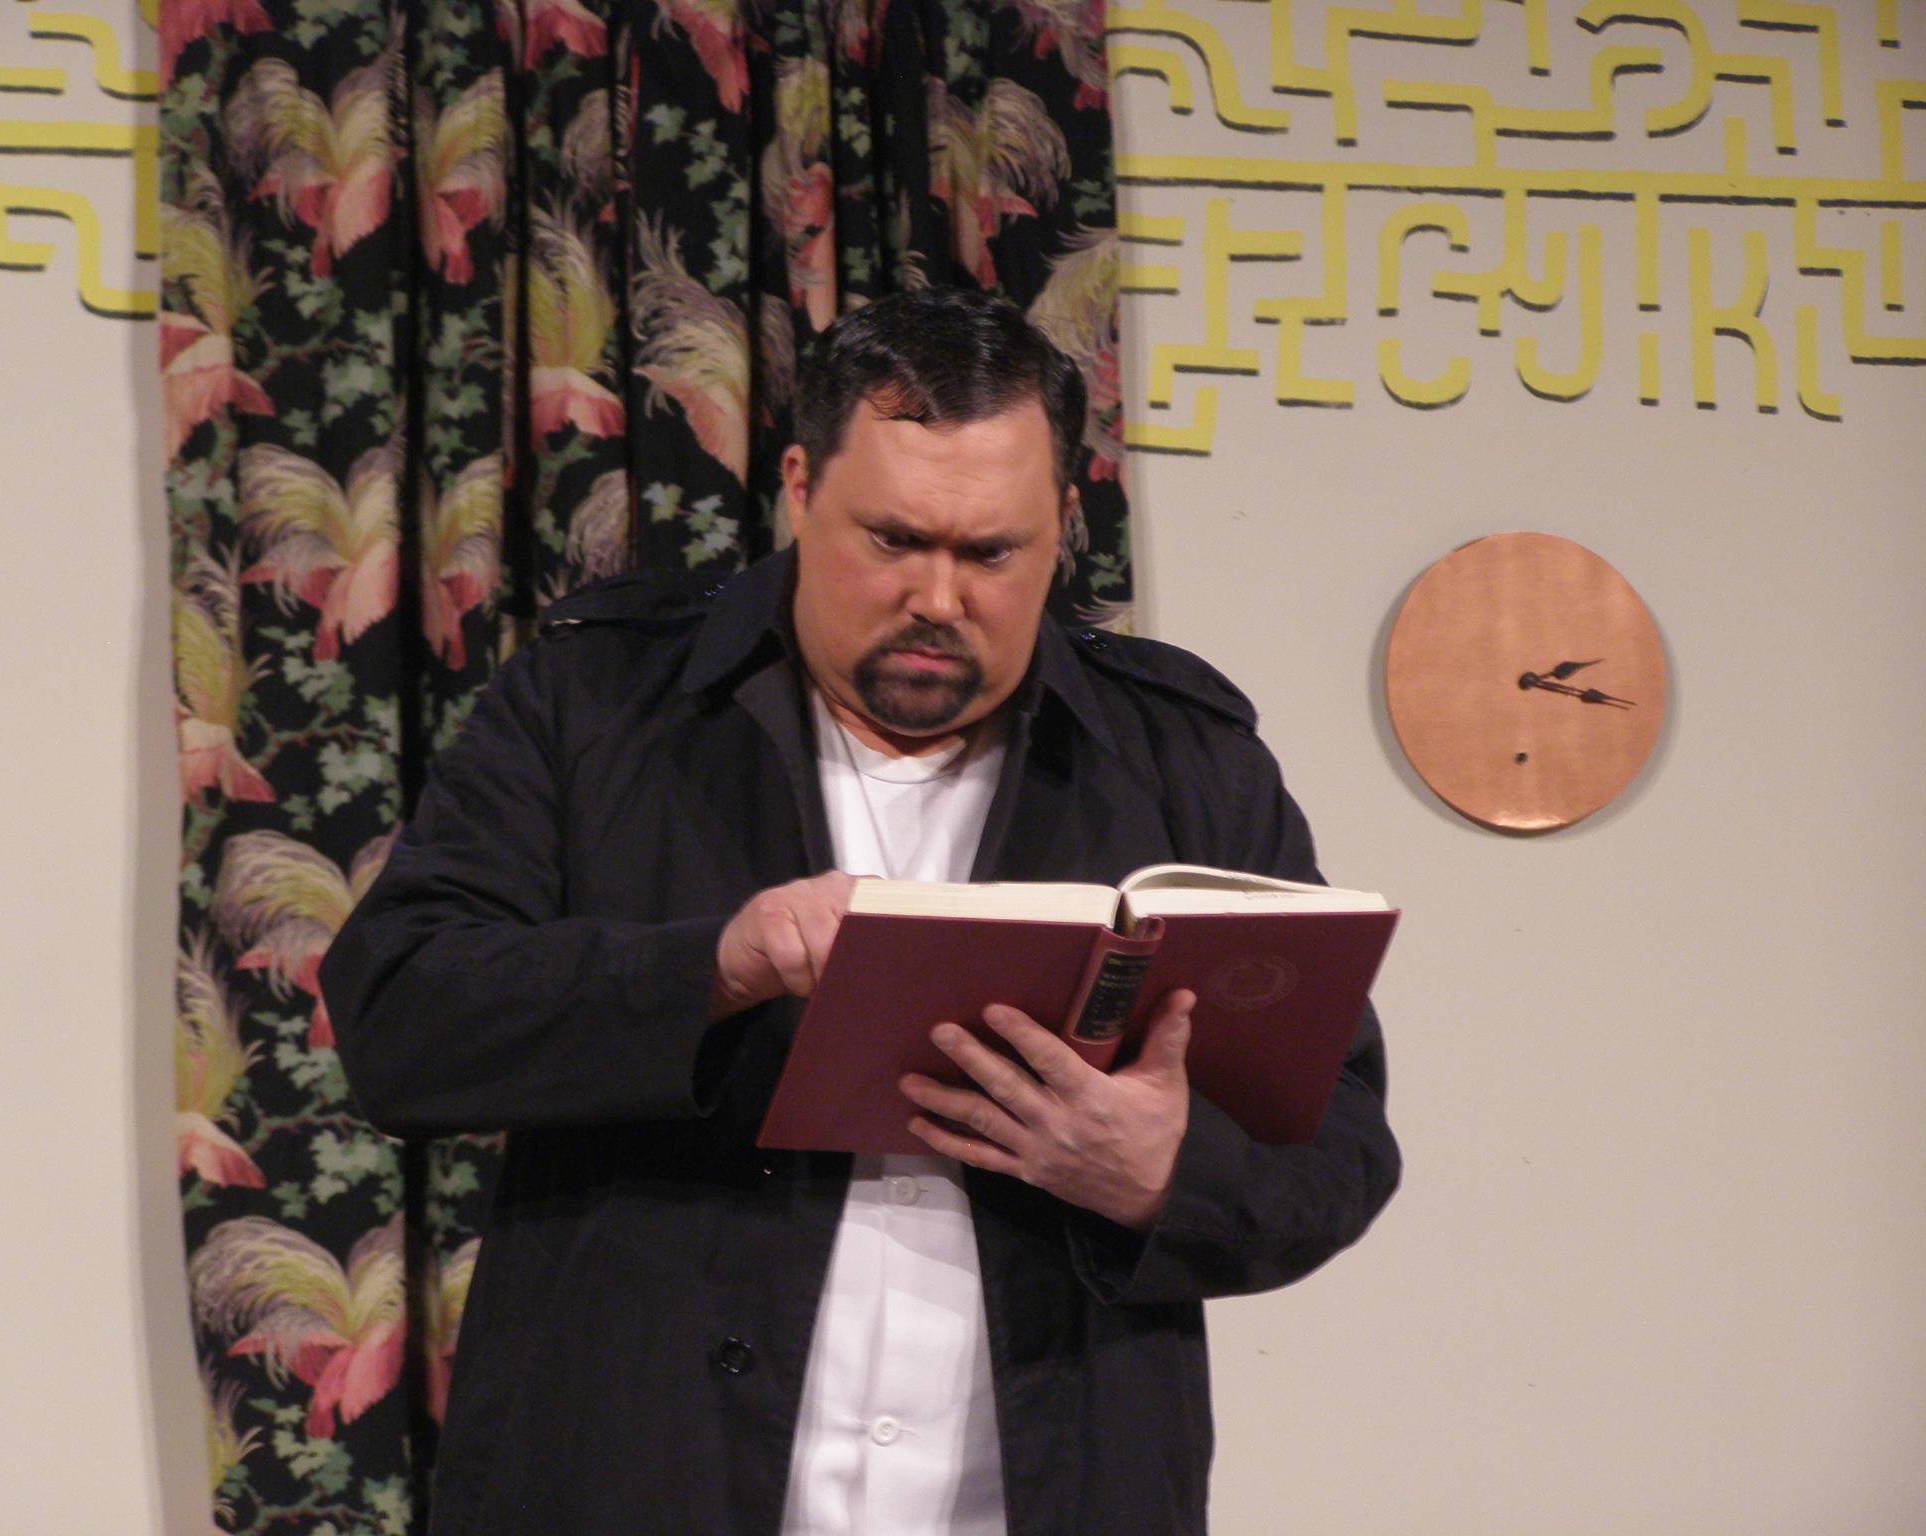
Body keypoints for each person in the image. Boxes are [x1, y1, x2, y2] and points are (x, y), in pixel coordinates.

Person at [322, 289, 1399, 1536]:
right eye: (892, 540)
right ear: (798, 487)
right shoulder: (593, 703)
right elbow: (400, 1017)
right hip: (640, 1482)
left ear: (1062, 522)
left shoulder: (1186, 762)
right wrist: (709, 969)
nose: (937, 597)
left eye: (990, 554)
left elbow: (1337, 1150)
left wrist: (1164, 1173)